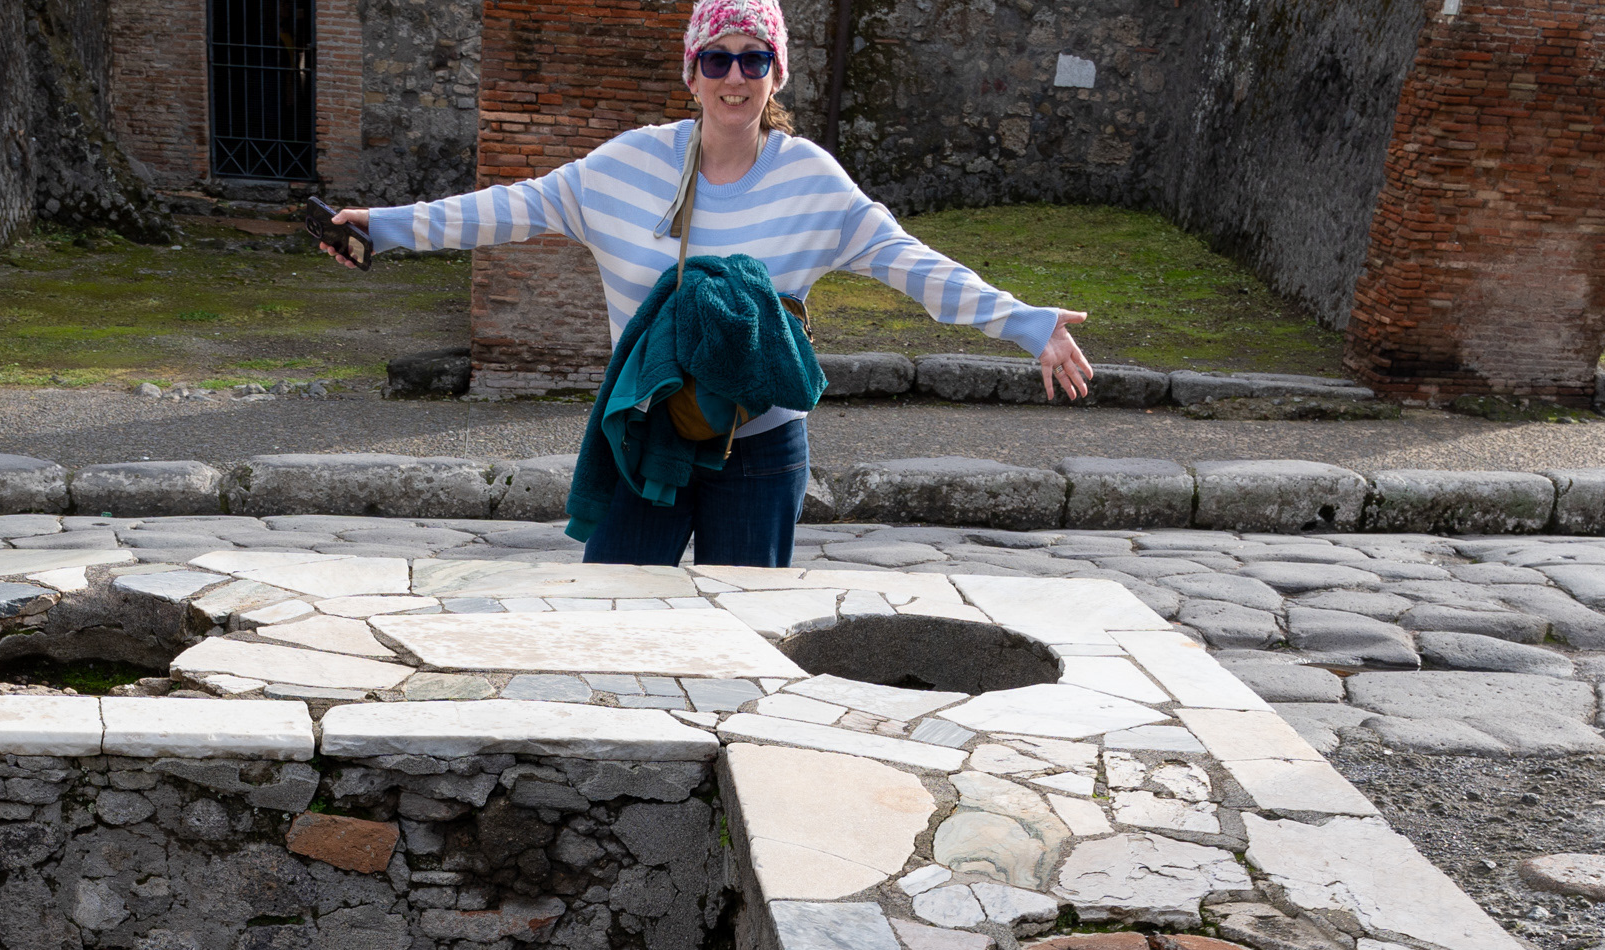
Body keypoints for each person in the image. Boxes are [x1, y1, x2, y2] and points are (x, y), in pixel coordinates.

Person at [322, 0, 1092, 569]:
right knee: (615, 618)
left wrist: (1026, 322)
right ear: (691, 72)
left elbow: (911, 263)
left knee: (739, 639)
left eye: (754, 58)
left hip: (760, 449)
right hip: (651, 432)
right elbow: (501, 211)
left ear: (775, 75)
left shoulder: (811, 181)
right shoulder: (625, 166)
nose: (735, 75)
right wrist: (380, 227)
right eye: (717, 58)